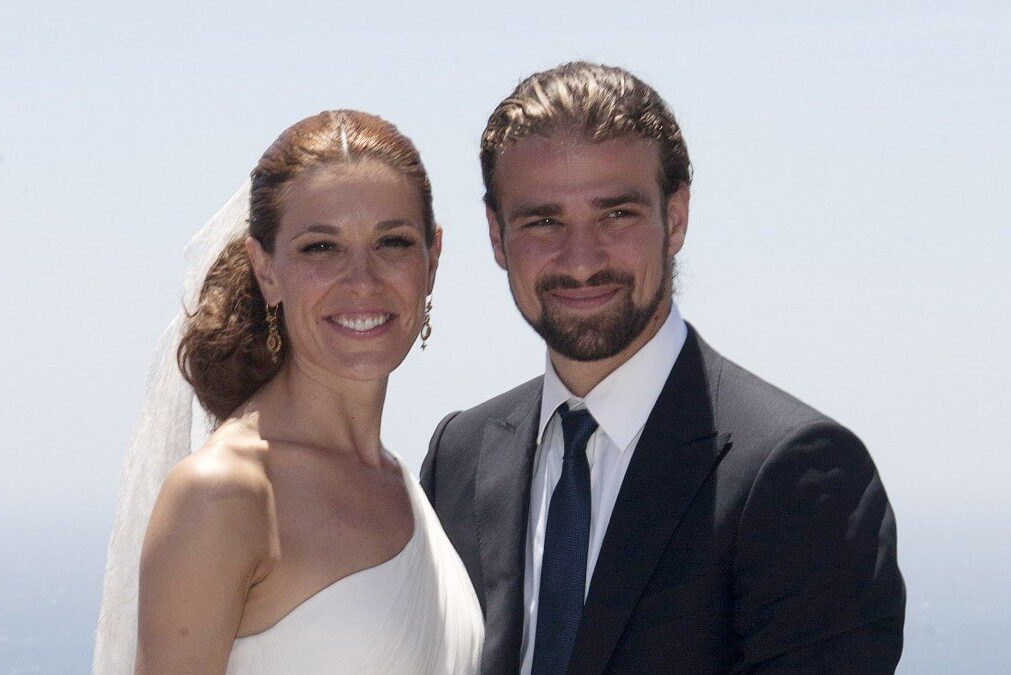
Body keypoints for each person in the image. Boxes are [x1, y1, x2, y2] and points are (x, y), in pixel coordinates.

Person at [420, 62, 905, 674]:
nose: (580, 260)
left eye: (616, 214)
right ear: (496, 235)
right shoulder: (459, 457)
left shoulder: (801, 477)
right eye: (543, 220)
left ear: (675, 218)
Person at [94, 110, 483, 674]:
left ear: (433, 259)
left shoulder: (403, 484)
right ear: (267, 271)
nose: (363, 280)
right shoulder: (225, 494)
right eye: (321, 248)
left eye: (393, 242)